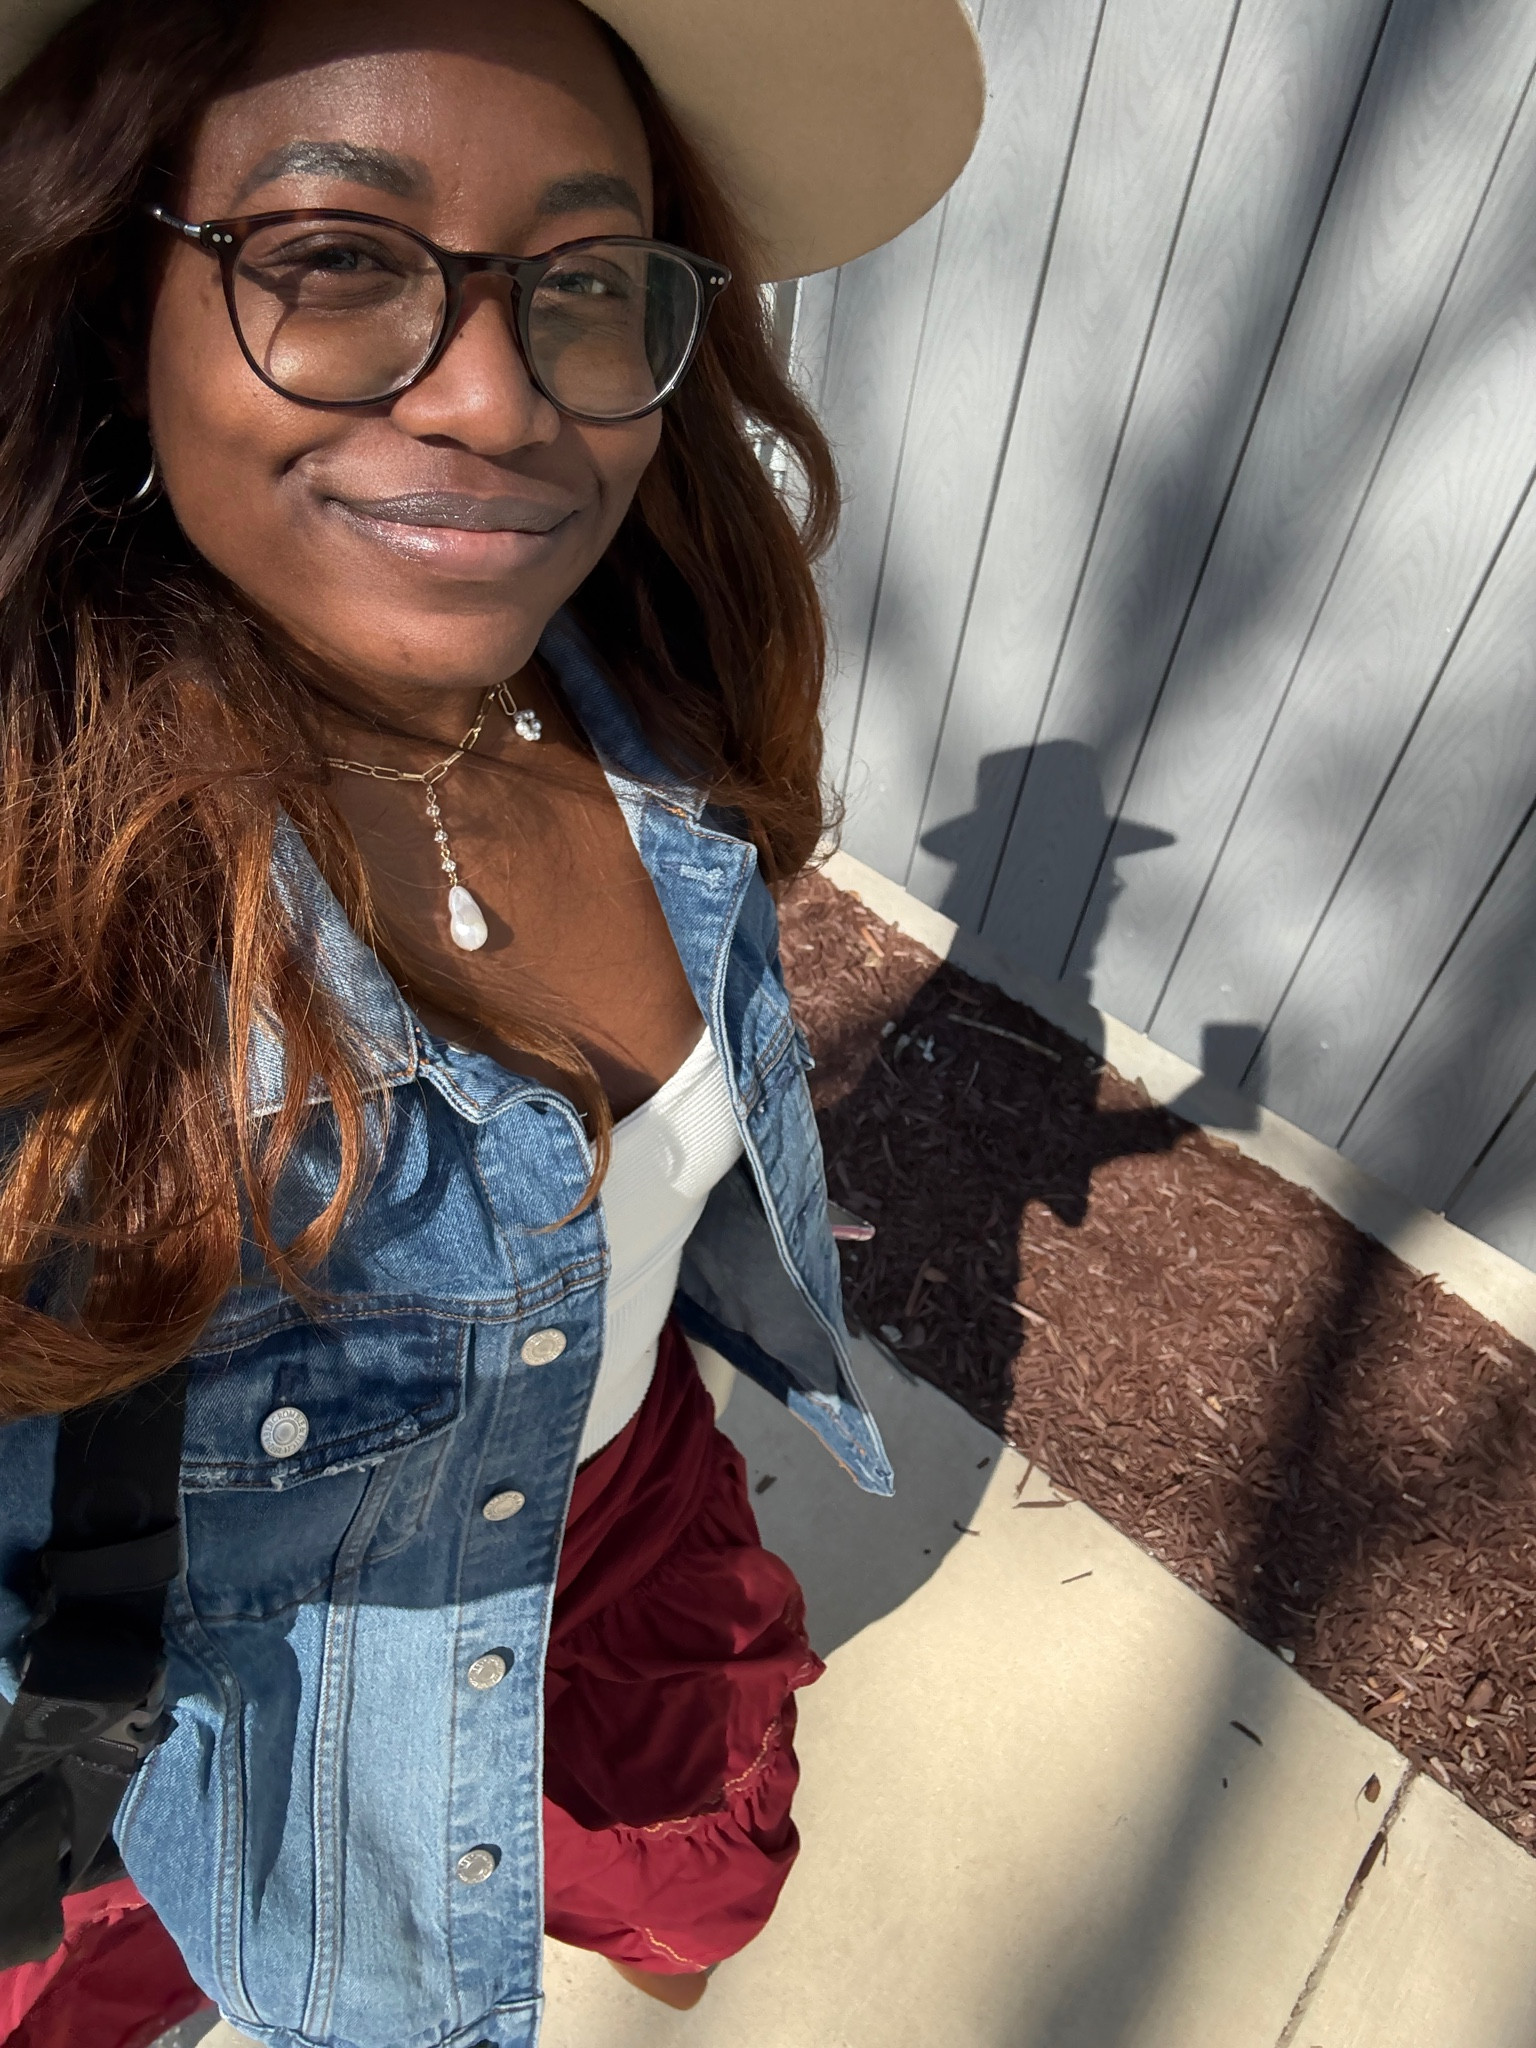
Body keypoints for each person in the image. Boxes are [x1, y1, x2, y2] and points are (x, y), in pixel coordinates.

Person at [0, 1, 982, 2042]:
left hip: (633, 1522)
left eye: (585, 284)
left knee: (696, 1901)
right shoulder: (44, 896)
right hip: (232, 1711)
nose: (491, 400)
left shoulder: (643, 702)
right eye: (336, 262)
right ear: (115, 293)